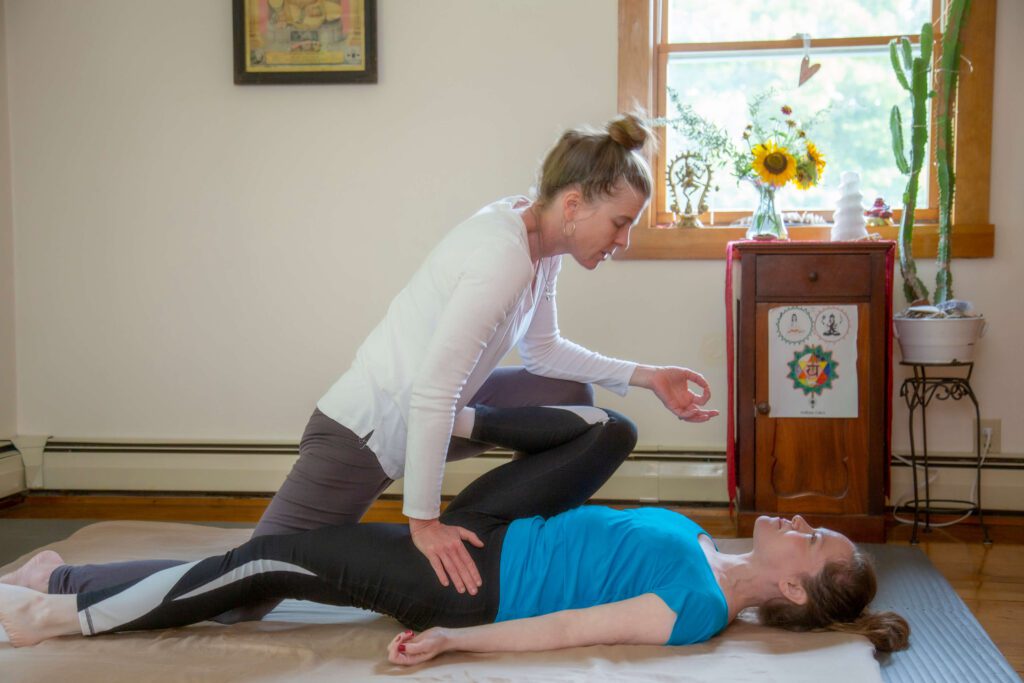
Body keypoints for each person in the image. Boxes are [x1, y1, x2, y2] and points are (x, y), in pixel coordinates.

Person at [2, 113, 718, 605]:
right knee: (246, 585)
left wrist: (646, 376)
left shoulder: (541, 245)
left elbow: (544, 350)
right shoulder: (501, 256)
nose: (623, 241)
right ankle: (58, 580)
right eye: (620, 223)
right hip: (364, 431)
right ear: (574, 203)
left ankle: (492, 510)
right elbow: (431, 390)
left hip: (433, 410)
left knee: (569, 398)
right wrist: (423, 520)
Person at [0, 406, 908, 663]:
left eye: (812, 538)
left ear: (794, 586)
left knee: (267, 560)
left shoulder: (699, 604)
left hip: (471, 580)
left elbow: (569, 629)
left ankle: (60, 609)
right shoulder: (703, 544)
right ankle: (444, 414)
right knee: (612, 430)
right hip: (496, 525)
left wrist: (453, 638)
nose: (798, 522)